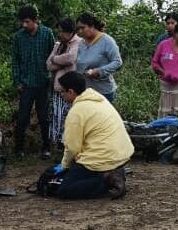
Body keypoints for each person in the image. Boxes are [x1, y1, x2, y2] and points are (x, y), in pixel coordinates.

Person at [55, 71, 133, 199]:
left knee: (65, 189)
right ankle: (114, 172)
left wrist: (65, 166)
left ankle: (106, 181)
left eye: (62, 92)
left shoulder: (76, 112)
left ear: (71, 92)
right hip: (122, 153)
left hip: (100, 157)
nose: (61, 95)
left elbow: (72, 148)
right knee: (78, 170)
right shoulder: (99, 98)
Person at [12, 5, 55, 160]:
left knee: (44, 117)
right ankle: (19, 149)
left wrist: (52, 76)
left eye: (27, 22)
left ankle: (46, 147)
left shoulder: (47, 34)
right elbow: (15, 60)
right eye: (22, 22)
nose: (24, 25)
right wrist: (17, 80)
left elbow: (53, 56)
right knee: (23, 117)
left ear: (35, 20)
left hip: (43, 82)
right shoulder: (18, 37)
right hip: (26, 84)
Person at [46, 17, 82, 146]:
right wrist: (60, 61)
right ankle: (59, 145)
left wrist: (55, 59)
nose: (59, 34)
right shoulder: (58, 45)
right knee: (57, 117)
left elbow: (71, 59)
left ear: (70, 31)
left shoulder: (78, 42)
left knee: (70, 117)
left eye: (61, 31)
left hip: (72, 89)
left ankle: (68, 143)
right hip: (58, 87)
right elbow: (48, 65)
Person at [74, 13, 123, 103]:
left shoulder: (107, 41)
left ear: (92, 26)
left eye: (83, 28)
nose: (80, 31)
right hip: (86, 91)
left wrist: (100, 71)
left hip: (103, 92)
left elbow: (117, 62)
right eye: (78, 29)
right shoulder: (82, 43)